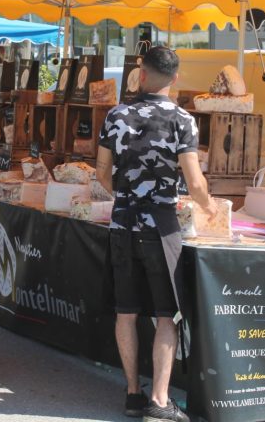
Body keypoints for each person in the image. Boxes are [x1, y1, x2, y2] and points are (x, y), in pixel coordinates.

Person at [95, 46, 217, 422]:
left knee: (126, 312)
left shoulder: (116, 115)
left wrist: (124, 196)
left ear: (141, 74)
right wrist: (209, 206)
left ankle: (133, 393)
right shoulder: (183, 120)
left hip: (122, 224)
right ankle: (160, 401)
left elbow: (101, 171)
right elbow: (194, 182)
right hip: (161, 227)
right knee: (167, 316)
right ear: (176, 79)